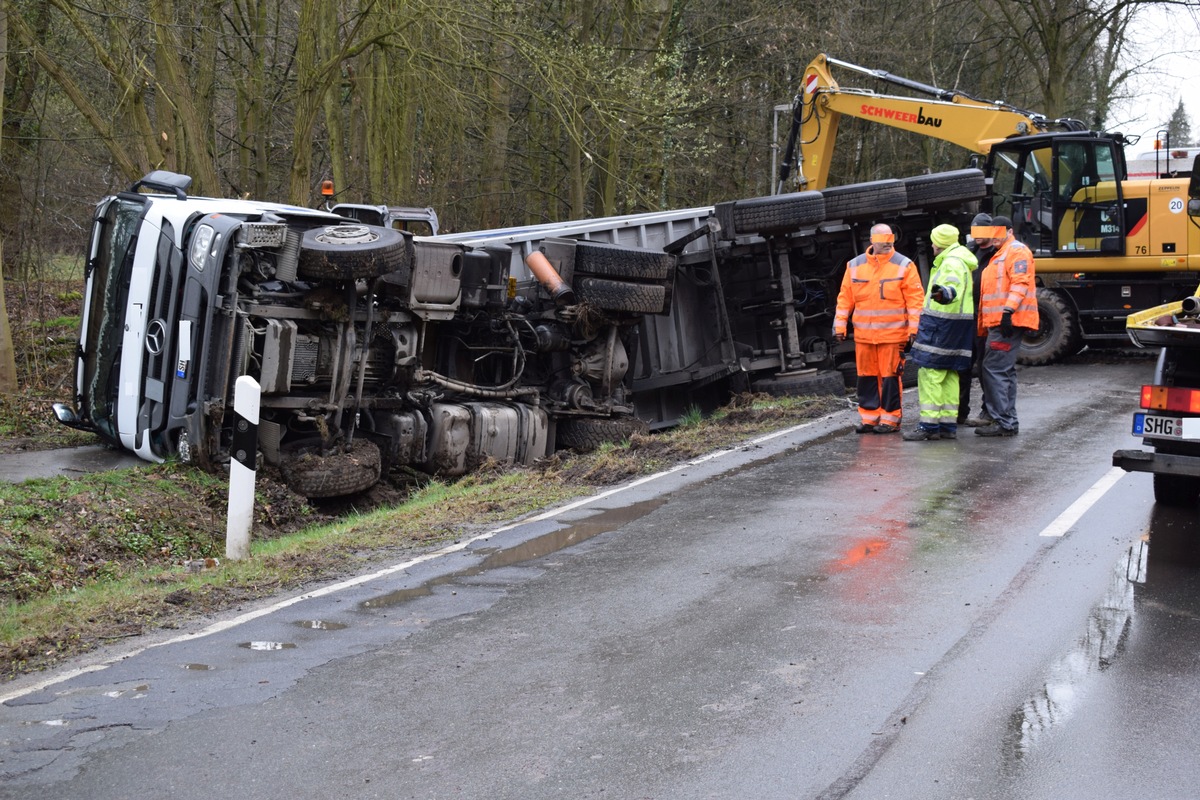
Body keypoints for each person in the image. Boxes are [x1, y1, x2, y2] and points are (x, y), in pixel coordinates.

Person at [834, 223, 924, 434]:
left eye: (889, 243)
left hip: (893, 336)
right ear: (872, 241)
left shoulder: (904, 265)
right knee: (866, 377)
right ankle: (869, 418)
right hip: (864, 336)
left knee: (890, 377)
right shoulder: (854, 265)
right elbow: (845, 298)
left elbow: (915, 300)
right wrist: (839, 325)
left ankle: (890, 420)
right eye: (883, 244)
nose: (887, 247)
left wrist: (914, 330)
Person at [902, 224, 977, 441]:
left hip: (941, 326)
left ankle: (928, 426)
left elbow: (950, 289)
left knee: (930, 373)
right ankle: (947, 425)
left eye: (935, 240)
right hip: (955, 327)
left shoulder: (951, 262)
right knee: (949, 373)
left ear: (941, 242)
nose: (932, 244)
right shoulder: (960, 259)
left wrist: (943, 293)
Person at [973, 215, 1038, 436]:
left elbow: (1020, 283)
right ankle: (1006, 420)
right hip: (1000, 322)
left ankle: (1004, 422)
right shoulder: (999, 255)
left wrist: (1008, 312)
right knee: (1003, 370)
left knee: (995, 369)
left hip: (1005, 323)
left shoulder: (1016, 252)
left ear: (1009, 231)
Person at [958, 213, 996, 426]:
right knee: (962, 366)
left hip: (986, 318)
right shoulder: (967, 253)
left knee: (984, 367)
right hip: (966, 318)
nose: (977, 235)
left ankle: (987, 411)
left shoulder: (997, 254)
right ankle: (960, 411)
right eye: (975, 230)